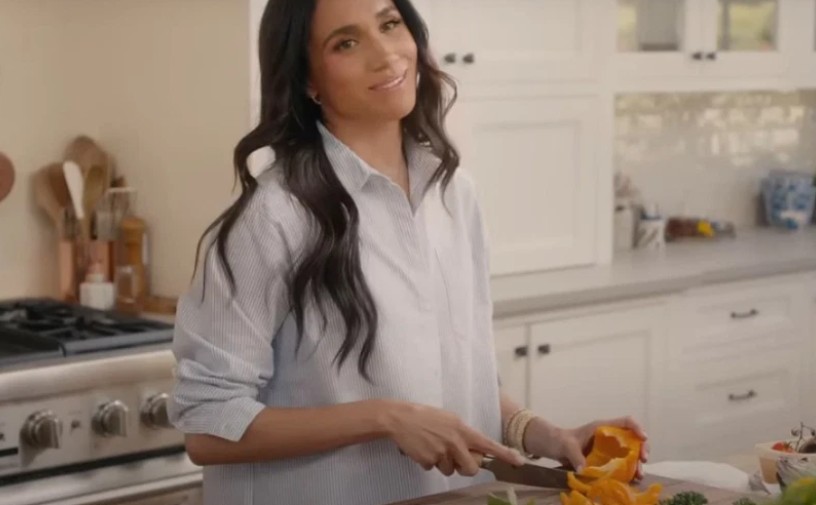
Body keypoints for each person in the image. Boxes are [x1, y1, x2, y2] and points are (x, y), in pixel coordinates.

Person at [167, 0, 648, 504]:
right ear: (308, 80)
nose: (386, 54)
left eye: (390, 24)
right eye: (346, 43)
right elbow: (207, 427)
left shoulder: (454, 194)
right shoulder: (271, 218)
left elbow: (452, 379)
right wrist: (384, 418)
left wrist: (546, 435)